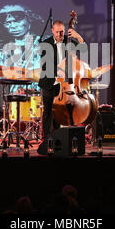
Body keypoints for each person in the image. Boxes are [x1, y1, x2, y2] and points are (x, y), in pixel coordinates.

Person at [37, 20, 86, 153]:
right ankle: (46, 139)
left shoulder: (68, 41)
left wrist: (77, 36)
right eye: (57, 32)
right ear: (52, 30)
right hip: (49, 82)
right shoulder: (45, 44)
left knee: (58, 112)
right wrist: (59, 70)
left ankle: (57, 137)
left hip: (62, 85)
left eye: (62, 31)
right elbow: (46, 65)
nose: (60, 34)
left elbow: (84, 49)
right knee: (47, 111)